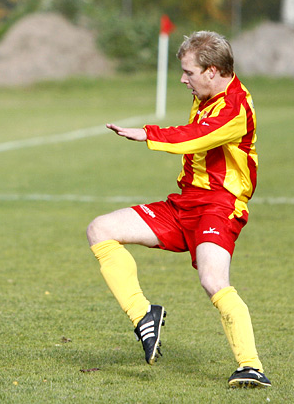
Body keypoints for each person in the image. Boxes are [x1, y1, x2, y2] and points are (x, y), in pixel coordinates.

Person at [86, 31, 270, 388]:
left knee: (213, 281)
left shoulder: (235, 107)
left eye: (189, 73)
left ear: (212, 71)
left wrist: (147, 133)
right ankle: (144, 317)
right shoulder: (208, 94)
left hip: (220, 206)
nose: (183, 79)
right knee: (100, 229)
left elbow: (193, 137)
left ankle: (251, 366)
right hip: (184, 203)